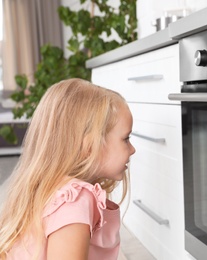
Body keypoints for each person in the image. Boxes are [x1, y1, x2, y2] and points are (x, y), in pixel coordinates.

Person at [0, 78, 136, 260]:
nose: (132, 149)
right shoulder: (75, 201)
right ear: (89, 147)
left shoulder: (53, 189)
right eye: (125, 139)